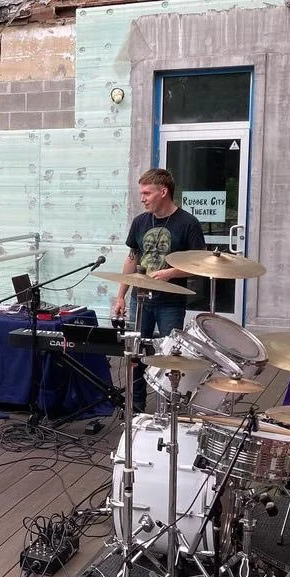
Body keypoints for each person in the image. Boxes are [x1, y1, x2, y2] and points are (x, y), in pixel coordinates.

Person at [110, 168, 206, 412]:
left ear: (163, 192)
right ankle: (137, 407)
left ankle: (171, 409)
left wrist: (171, 273)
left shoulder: (188, 223)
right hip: (140, 301)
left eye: (146, 193)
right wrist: (121, 295)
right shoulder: (140, 222)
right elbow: (132, 258)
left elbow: (200, 267)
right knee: (135, 354)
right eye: (140, 193)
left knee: (171, 356)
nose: (142, 198)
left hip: (170, 301)